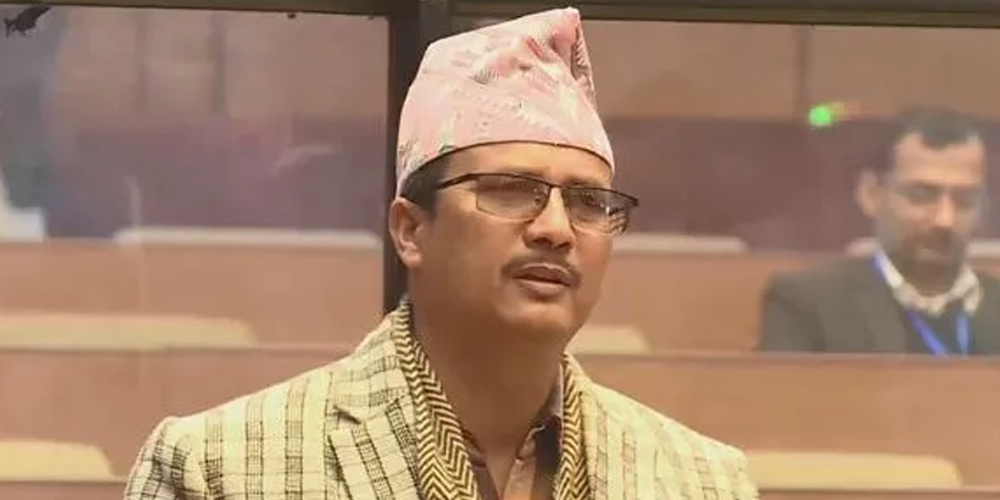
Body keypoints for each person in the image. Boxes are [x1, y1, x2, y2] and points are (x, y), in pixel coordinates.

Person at [125, 8, 758, 500]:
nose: (556, 229)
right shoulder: (220, 468)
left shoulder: (701, 480)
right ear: (411, 231)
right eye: (511, 190)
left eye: (589, 202)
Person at [757, 107, 1000, 354]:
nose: (944, 220)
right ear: (871, 194)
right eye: (921, 195)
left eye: (965, 199)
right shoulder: (809, 303)